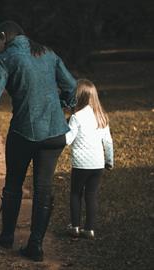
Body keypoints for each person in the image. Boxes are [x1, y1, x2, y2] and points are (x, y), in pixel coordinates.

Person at [0, 21, 76, 262]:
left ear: (2, 36)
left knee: (13, 184)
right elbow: (71, 86)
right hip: (55, 134)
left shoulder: (7, 58)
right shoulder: (48, 52)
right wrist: (63, 105)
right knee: (43, 189)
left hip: (24, 133)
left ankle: (7, 236)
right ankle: (36, 246)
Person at [65, 79, 114, 240]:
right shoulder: (102, 117)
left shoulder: (76, 117)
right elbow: (108, 142)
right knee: (91, 195)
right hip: (98, 164)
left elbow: (68, 139)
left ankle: (75, 227)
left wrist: (61, 131)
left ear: (78, 97)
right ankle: (90, 229)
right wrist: (109, 161)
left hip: (81, 164)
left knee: (75, 194)